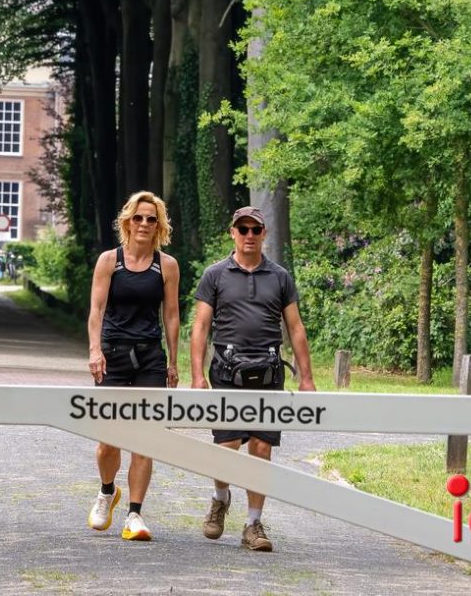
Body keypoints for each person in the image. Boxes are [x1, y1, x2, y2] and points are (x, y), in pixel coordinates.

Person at [190, 206, 316, 552]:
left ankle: (252, 524)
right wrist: (197, 374)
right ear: (232, 232)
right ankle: (220, 498)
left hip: (269, 371)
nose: (249, 235)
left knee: (261, 448)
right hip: (226, 371)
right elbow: (201, 326)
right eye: (242, 229)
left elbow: (295, 327)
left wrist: (306, 377)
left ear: (264, 234)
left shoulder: (280, 277)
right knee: (227, 446)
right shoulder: (215, 275)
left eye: (255, 229)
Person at [86, 191, 180, 541]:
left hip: (150, 358)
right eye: (138, 218)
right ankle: (107, 491)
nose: (143, 224)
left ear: (158, 225)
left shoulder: (166, 265)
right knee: (108, 440)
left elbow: (172, 315)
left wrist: (173, 361)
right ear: (128, 222)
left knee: (145, 438)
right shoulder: (109, 261)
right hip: (113, 355)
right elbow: (96, 310)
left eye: (151, 219)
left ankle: (135, 515)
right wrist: (95, 350)